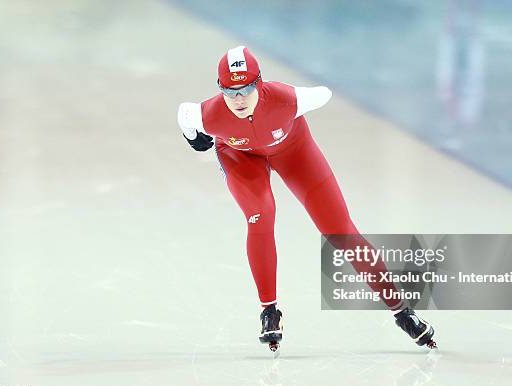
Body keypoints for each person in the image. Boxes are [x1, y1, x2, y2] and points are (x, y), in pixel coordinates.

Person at [177, 46, 436, 351]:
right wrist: (194, 137)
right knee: (260, 215)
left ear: (259, 83)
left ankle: (401, 310)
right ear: (220, 89)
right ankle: (269, 312)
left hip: (294, 152)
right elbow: (184, 114)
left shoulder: (288, 99)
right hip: (241, 158)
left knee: (340, 231)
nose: (239, 99)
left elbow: (324, 92)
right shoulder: (208, 115)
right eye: (230, 91)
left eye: (246, 89)